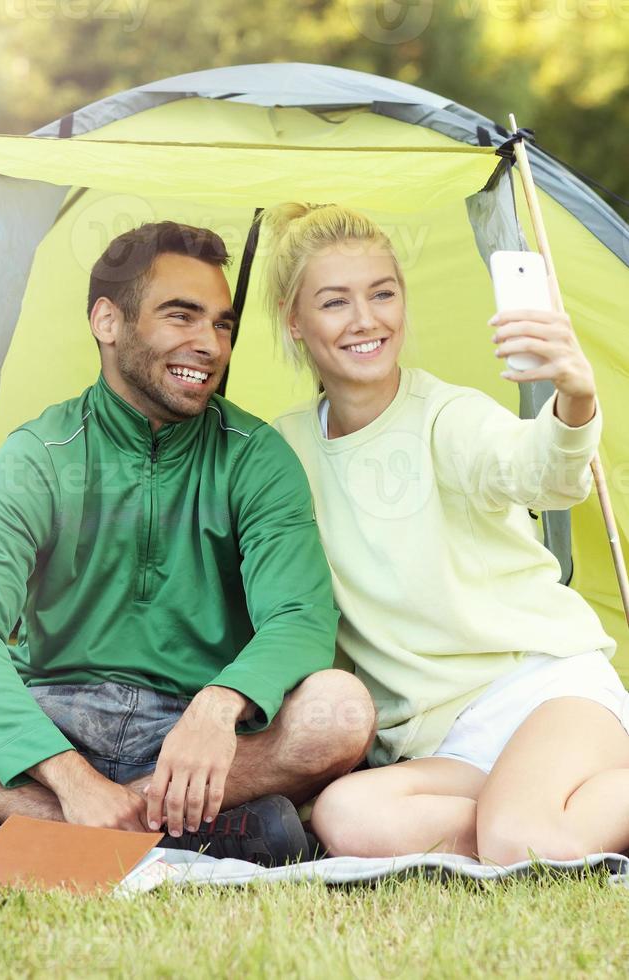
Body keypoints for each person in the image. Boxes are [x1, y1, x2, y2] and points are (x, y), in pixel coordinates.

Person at [0, 220, 375, 866]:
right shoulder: (37, 457)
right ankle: (113, 822)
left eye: (221, 324)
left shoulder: (256, 457)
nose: (209, 344)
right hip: (54, 726)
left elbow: (301, 618)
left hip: (196, 739)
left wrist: (219, 706)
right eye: (181, 317)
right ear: (108, 321)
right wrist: (70, 778)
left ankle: (81, 828)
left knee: (343, 711)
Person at [263, 202, 629, 864]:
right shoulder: (282, 449)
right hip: (445, 743)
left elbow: (542, 473)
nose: (367, 319)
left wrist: (575, 396)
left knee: (520, 840)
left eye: (383, 293)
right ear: (294, 319)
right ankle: (538, 816)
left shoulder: (448, 415)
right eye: (335, 302)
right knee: (346, 815)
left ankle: (528, 820)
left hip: (542, 689)